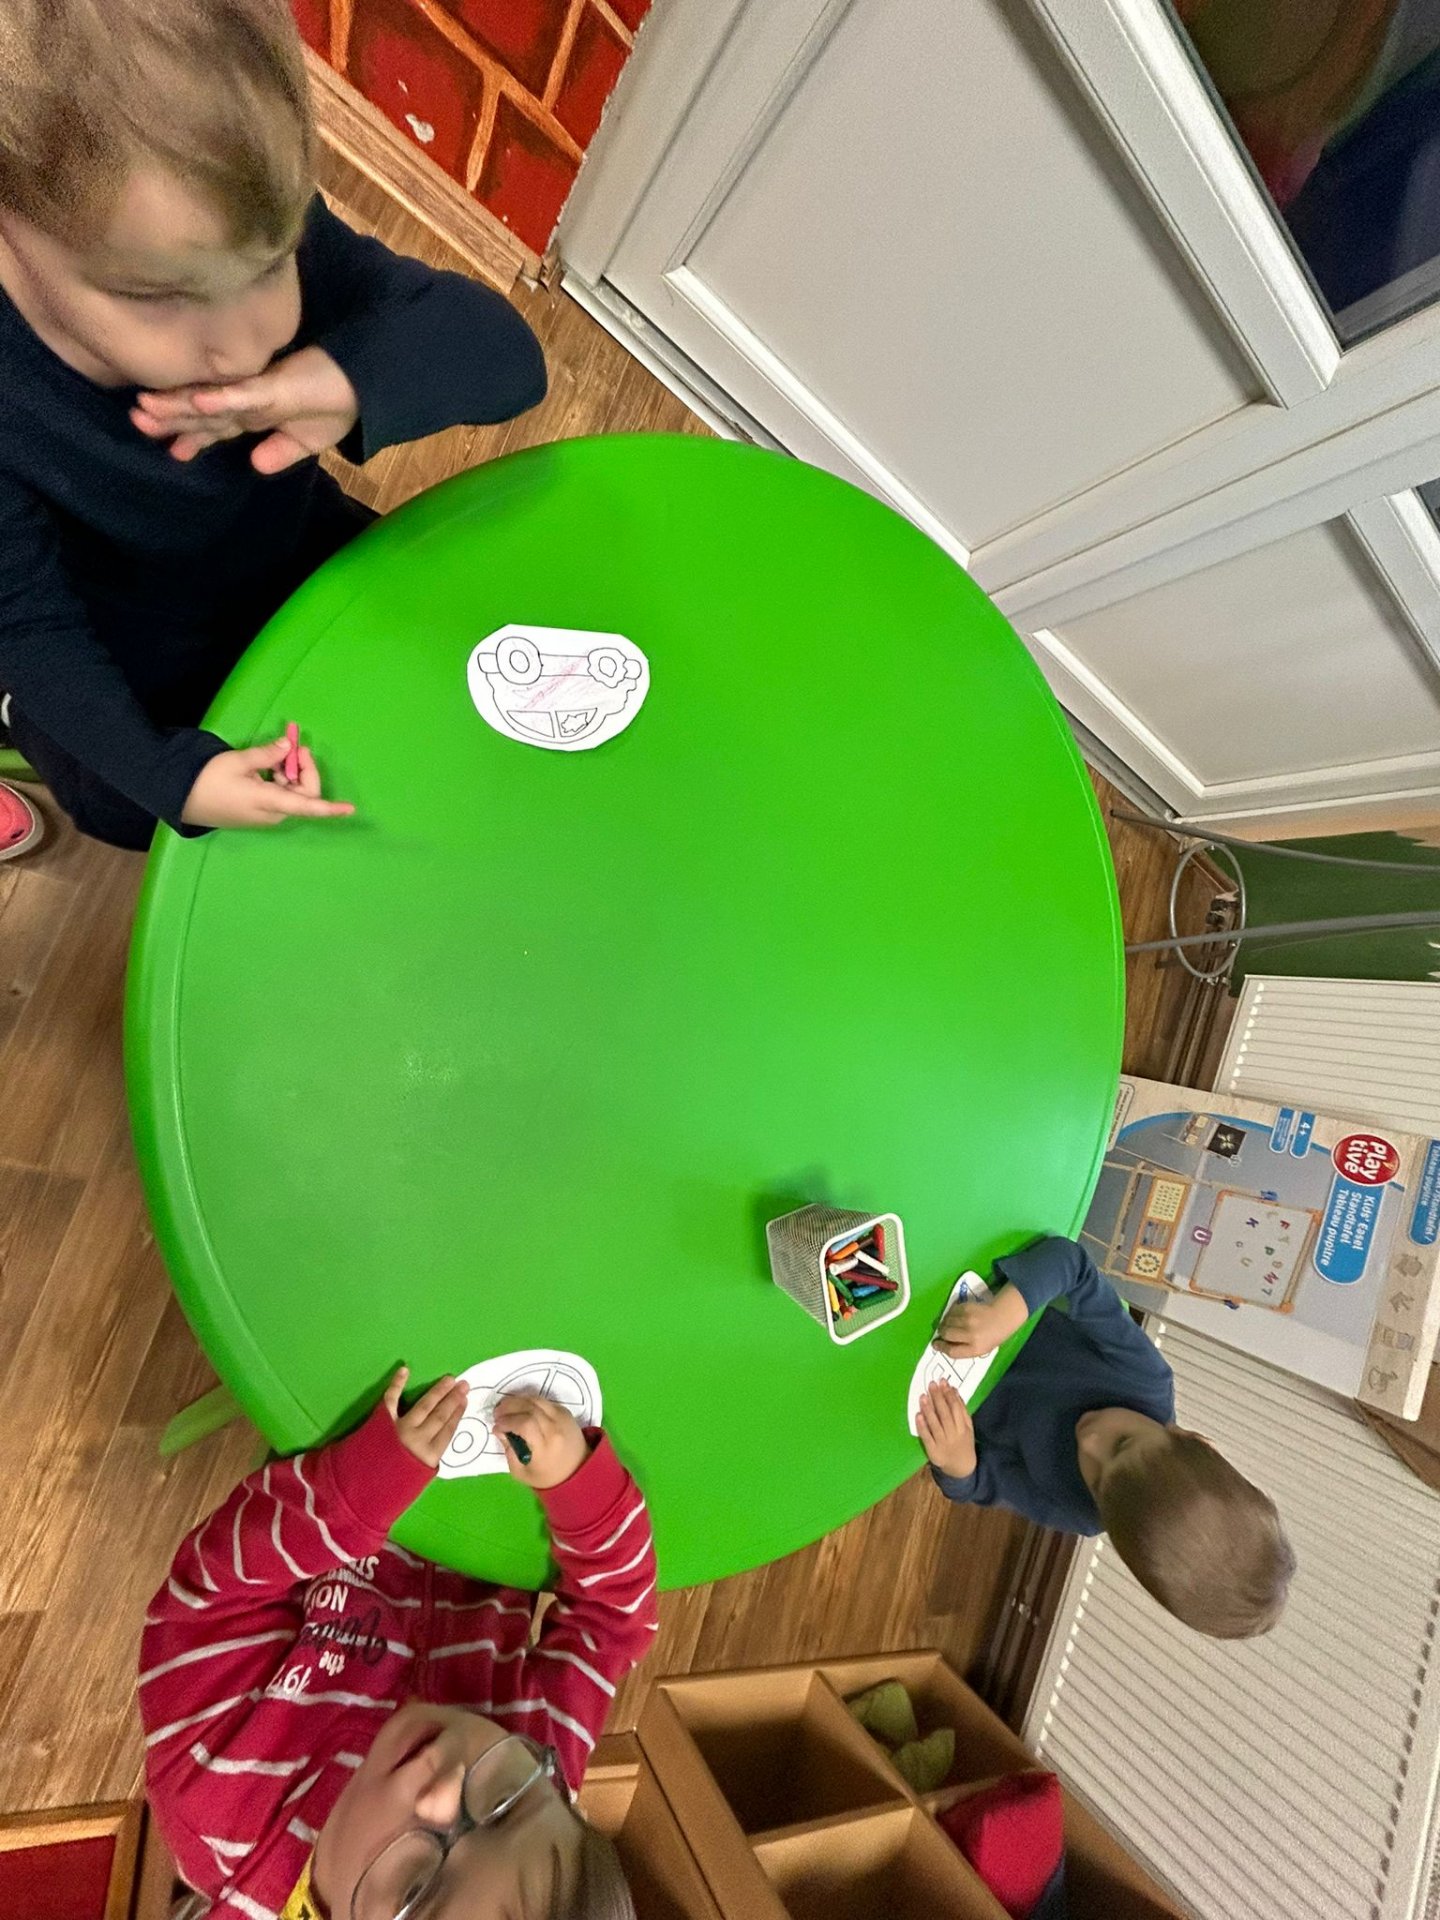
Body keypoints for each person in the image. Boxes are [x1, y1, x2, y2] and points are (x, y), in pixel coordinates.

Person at [0, 0, 546, 855]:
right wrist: (173, 777)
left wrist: (353, 376)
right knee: (147, 815)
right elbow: (31, 629)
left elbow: (508, 359)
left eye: (272, 263)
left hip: (299, 562)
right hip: (134, 676)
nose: (248, 342)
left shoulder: (221, 223)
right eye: (159, 297)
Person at [140, 1369, 656, 1920]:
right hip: (485, 1433)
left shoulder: (214, 1801)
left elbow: (208, 1589)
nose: (447, 1785)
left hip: (338, 1425)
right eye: (505, 1806)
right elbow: (611, 1623)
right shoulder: (540, 1766)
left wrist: (356, 1492)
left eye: (415, 1889)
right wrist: (578, 1489)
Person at [916, 1236, 1295, 1639]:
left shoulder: (1084, 1514)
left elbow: (978, 1484)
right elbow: (1072, 1266)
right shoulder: (1146, 1379)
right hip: (962, 1279)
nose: (1089, 1442)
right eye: (1122, 1443)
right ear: (1192, 1439)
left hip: (919, 1385)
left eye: (1096, 1481)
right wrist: (1004, 1315)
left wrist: (959, 1465)